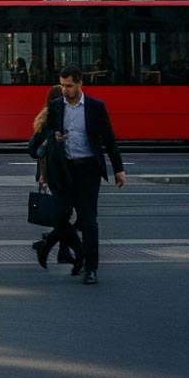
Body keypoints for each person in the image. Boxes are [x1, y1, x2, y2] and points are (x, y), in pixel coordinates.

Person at [45, 65, 126, 285]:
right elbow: (47, 131)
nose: (65, 90)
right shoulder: (55, 106)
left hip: (88, 168)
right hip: (64, 169)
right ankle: (80, 252)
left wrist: (118, 169)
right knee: (59, 217)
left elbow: (109, 139)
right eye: (62, 86)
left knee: (89, 220)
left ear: (80, 84)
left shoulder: (95, 107)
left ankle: (91, 269)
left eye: (69, 86)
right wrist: (55, 136)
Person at [28, 84, 82, 273]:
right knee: (65, 216)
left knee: (66, 216)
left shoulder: (55, 117)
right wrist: (51, 141)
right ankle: (76, 252)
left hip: (63, 175)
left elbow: (32, 149)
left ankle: (56, 248)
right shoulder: (50, 119)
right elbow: (33, 148)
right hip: (57, 175)